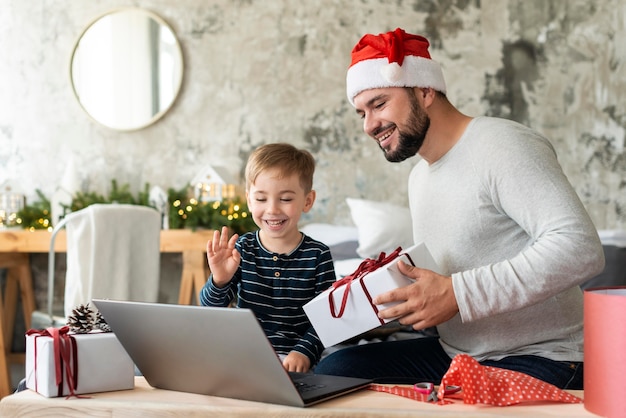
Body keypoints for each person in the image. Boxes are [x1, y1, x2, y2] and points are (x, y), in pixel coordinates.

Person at [314, 28, 605, 389]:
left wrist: (457, 293)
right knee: (336, 370)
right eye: (361, 113)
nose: (369, 125)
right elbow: (448, 287)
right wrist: (394, 312)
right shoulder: (419, 177)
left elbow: (580, 248)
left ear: (425, 90)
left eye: (379, 104)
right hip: (458, 354)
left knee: (461, 404)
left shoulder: (502, 144)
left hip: (546, 355)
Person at [199, 143, 336, 373]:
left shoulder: (318, 255)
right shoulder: (243, 248)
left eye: (285, 199)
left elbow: (328, 318)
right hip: (244, 357)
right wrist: (219, 280)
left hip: (295, 363)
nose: (272, 210)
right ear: (250, 201)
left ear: (308, 201)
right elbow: (209, 310)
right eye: (261, 199)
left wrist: (304, 351)